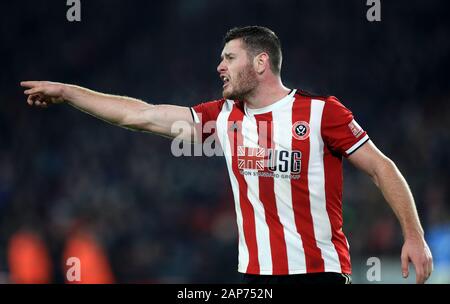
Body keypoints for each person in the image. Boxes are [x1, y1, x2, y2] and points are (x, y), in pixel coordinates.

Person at [20, 26, 433, 284]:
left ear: (260, 62)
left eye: (228, 58)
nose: (219, 66)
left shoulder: (323, 112)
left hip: (318, 273)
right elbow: (141, 115)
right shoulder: (223, 117)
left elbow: (382, 167)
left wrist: (414, 235)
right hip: (252, 276)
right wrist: (69, 93)